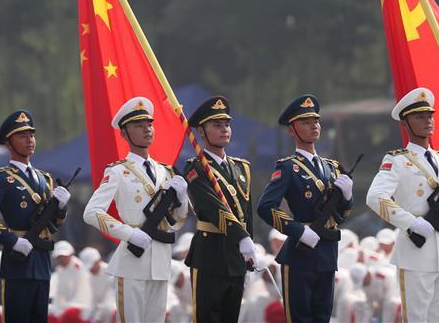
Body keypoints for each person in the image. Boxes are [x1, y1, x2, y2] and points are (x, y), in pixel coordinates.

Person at [366, 88, 439, 323]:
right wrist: (411, 222)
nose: (428, 121)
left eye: (430, 115)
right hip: (415, 251)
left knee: (437, 319)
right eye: (420, 117)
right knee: (416, 319)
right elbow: (375, 197)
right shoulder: (397, 160)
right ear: (406, 123)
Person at [83, 97, 189, 323]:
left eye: (149, 124)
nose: (147, 130)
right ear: (124, 134)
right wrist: (129, 233)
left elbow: (177, 221)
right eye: (138, 126)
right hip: (132, 262)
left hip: (160, 260)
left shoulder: (166, 172)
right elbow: (91, 212)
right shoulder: (118, 172)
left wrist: (182, 198)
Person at [257, 94, 354, 323]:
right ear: (291, 130)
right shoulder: (288, 167)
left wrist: (347, 197)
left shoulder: (332, 167)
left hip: (328, 250)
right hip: (300, 253)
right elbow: (265, 206)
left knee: (323, 317)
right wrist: (298, 230)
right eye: (305, 122)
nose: (314, 126)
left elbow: (342, 215)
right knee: (300, 318)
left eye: (316, 121)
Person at [0, 109, 71, 323]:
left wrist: (62, 207)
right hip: (17, 262)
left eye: (31, 135)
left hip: (42, 260)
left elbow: (54, 224)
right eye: (22, 136)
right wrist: (12, 241)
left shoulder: (44, 179)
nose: (29, 140)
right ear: (8, 144)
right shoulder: (0, 178)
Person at [182, 96, 256, 323]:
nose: (224, 129)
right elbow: (212, 207)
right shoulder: (195, 168)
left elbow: (246, 213)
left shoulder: (241, 167)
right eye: (217, 125)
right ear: (201, 132)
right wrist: (242, 237)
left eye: (227, 124)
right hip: (210, 255)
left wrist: (249, 242)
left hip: (235, 257)